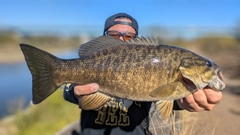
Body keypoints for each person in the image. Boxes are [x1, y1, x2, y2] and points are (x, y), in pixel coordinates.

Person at [64, 13, 222, 135]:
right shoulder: (91, 63)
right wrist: (75, 93)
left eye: (128, 37)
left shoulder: (181, 81)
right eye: (113, 36)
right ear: (104, 37)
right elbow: (69, 89)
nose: (121, 40)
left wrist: (184, 102)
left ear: (136, 40)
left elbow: (171, 99)